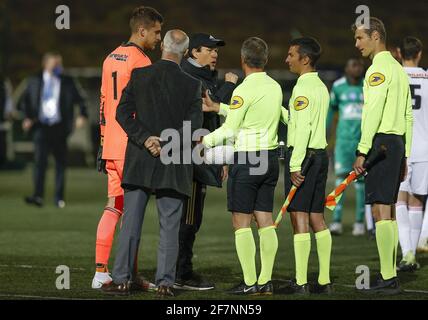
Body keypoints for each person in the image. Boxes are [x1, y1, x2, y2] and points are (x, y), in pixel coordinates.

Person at [102, 29, 203, 297]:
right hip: (174, 161)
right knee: (170, 227)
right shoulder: (192, 85)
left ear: (163, 48)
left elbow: (122, 113)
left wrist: (146, 139)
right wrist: (167, 143)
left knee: (131, 222)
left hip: (140, 159)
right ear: (184, 53)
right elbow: (194, 127)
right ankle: (166, 284)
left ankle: (122, 279)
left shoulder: (140, 75)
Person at [203, 37, 285, 295]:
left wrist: (202, 141)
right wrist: (221, 107)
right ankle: (265, 281)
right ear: (266, 60)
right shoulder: (275, 87)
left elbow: (230, 129)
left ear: (243, 61)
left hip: (247, 160)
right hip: (270, 160)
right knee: (265, 219)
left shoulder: (243, 90)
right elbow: (252, 113)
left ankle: (250, 282)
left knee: (241, 222)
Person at [92, 6, 163, 290]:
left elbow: (102, 103)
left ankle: (102, 272)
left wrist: (102, 141)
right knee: (132, 211)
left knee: (115, 206)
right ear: (141, 30)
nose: (159, 37)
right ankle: (126, 275)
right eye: (156, 32)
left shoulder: (110, 57)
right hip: (131, 144)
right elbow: (144, 109)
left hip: (110, 143)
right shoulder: (140, 61)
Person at [352, 17, 413, 294]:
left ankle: (388, 277)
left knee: (379, 209)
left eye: (360, 38)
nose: (357, 44)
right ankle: (389, 275)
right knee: (386, 209)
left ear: (375, 36)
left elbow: (372, 112)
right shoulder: (399, 69)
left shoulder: (378, 70)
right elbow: (408, 116)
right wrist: (407, 155)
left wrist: (362, 150)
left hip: (381, 143)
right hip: (397, 143)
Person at [175, 33, 238, 291]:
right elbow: (207, 104)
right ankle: (181, 272)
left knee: (192, 216)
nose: (215, 54)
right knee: (188, 217)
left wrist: (220, 158)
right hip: (189, 156)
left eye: (216, 50)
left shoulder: (204, 75)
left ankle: (179, 268)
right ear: (193, 52)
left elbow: (213, 119)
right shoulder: (188, 75)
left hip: (201, 155)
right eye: (210, 49)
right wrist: (229, 86)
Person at [283, 37, 332, 295]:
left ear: (305, 59)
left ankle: (300, 281)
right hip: (321, 156)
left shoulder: (302, 89)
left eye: (291, 55)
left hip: (304, 158)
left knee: (299, 216)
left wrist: (294, 165)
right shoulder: (322, 87)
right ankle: (323, 280)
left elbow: (302, 129)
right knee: (317, 217)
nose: (287, 59)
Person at [19, 52, 88, 208]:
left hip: (60, 127)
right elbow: (25, 102)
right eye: (55, 63)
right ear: (46, 64)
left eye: (60, 63)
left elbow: (81, 100)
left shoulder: (68, 81)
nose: (58, 66)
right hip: (41, 127)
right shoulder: (34, 80)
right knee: (39, 163)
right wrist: (28, 117)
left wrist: (82, 115)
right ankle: (38, 196)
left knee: (60, 164)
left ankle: (59, 198)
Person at [327, 58, 373, 236]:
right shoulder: (338, 87)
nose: (358, 68)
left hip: (362, 142)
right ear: (346, 69)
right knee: (340, 181)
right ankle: (336, 221)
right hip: (343, 142)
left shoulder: (368, 85)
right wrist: (325, 134)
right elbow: (331, 111)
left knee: (361, 183)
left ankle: (360, 222)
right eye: (353, 65)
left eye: (360, 65)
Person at [395, 36, 428, 271]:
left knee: (399, 201)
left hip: (401, 147)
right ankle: (412, 254)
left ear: (398, 53)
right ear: (419, 54)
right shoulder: (427, 79)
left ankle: (407, 253)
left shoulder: (394, 78)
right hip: (424, 148)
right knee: (417, 201)